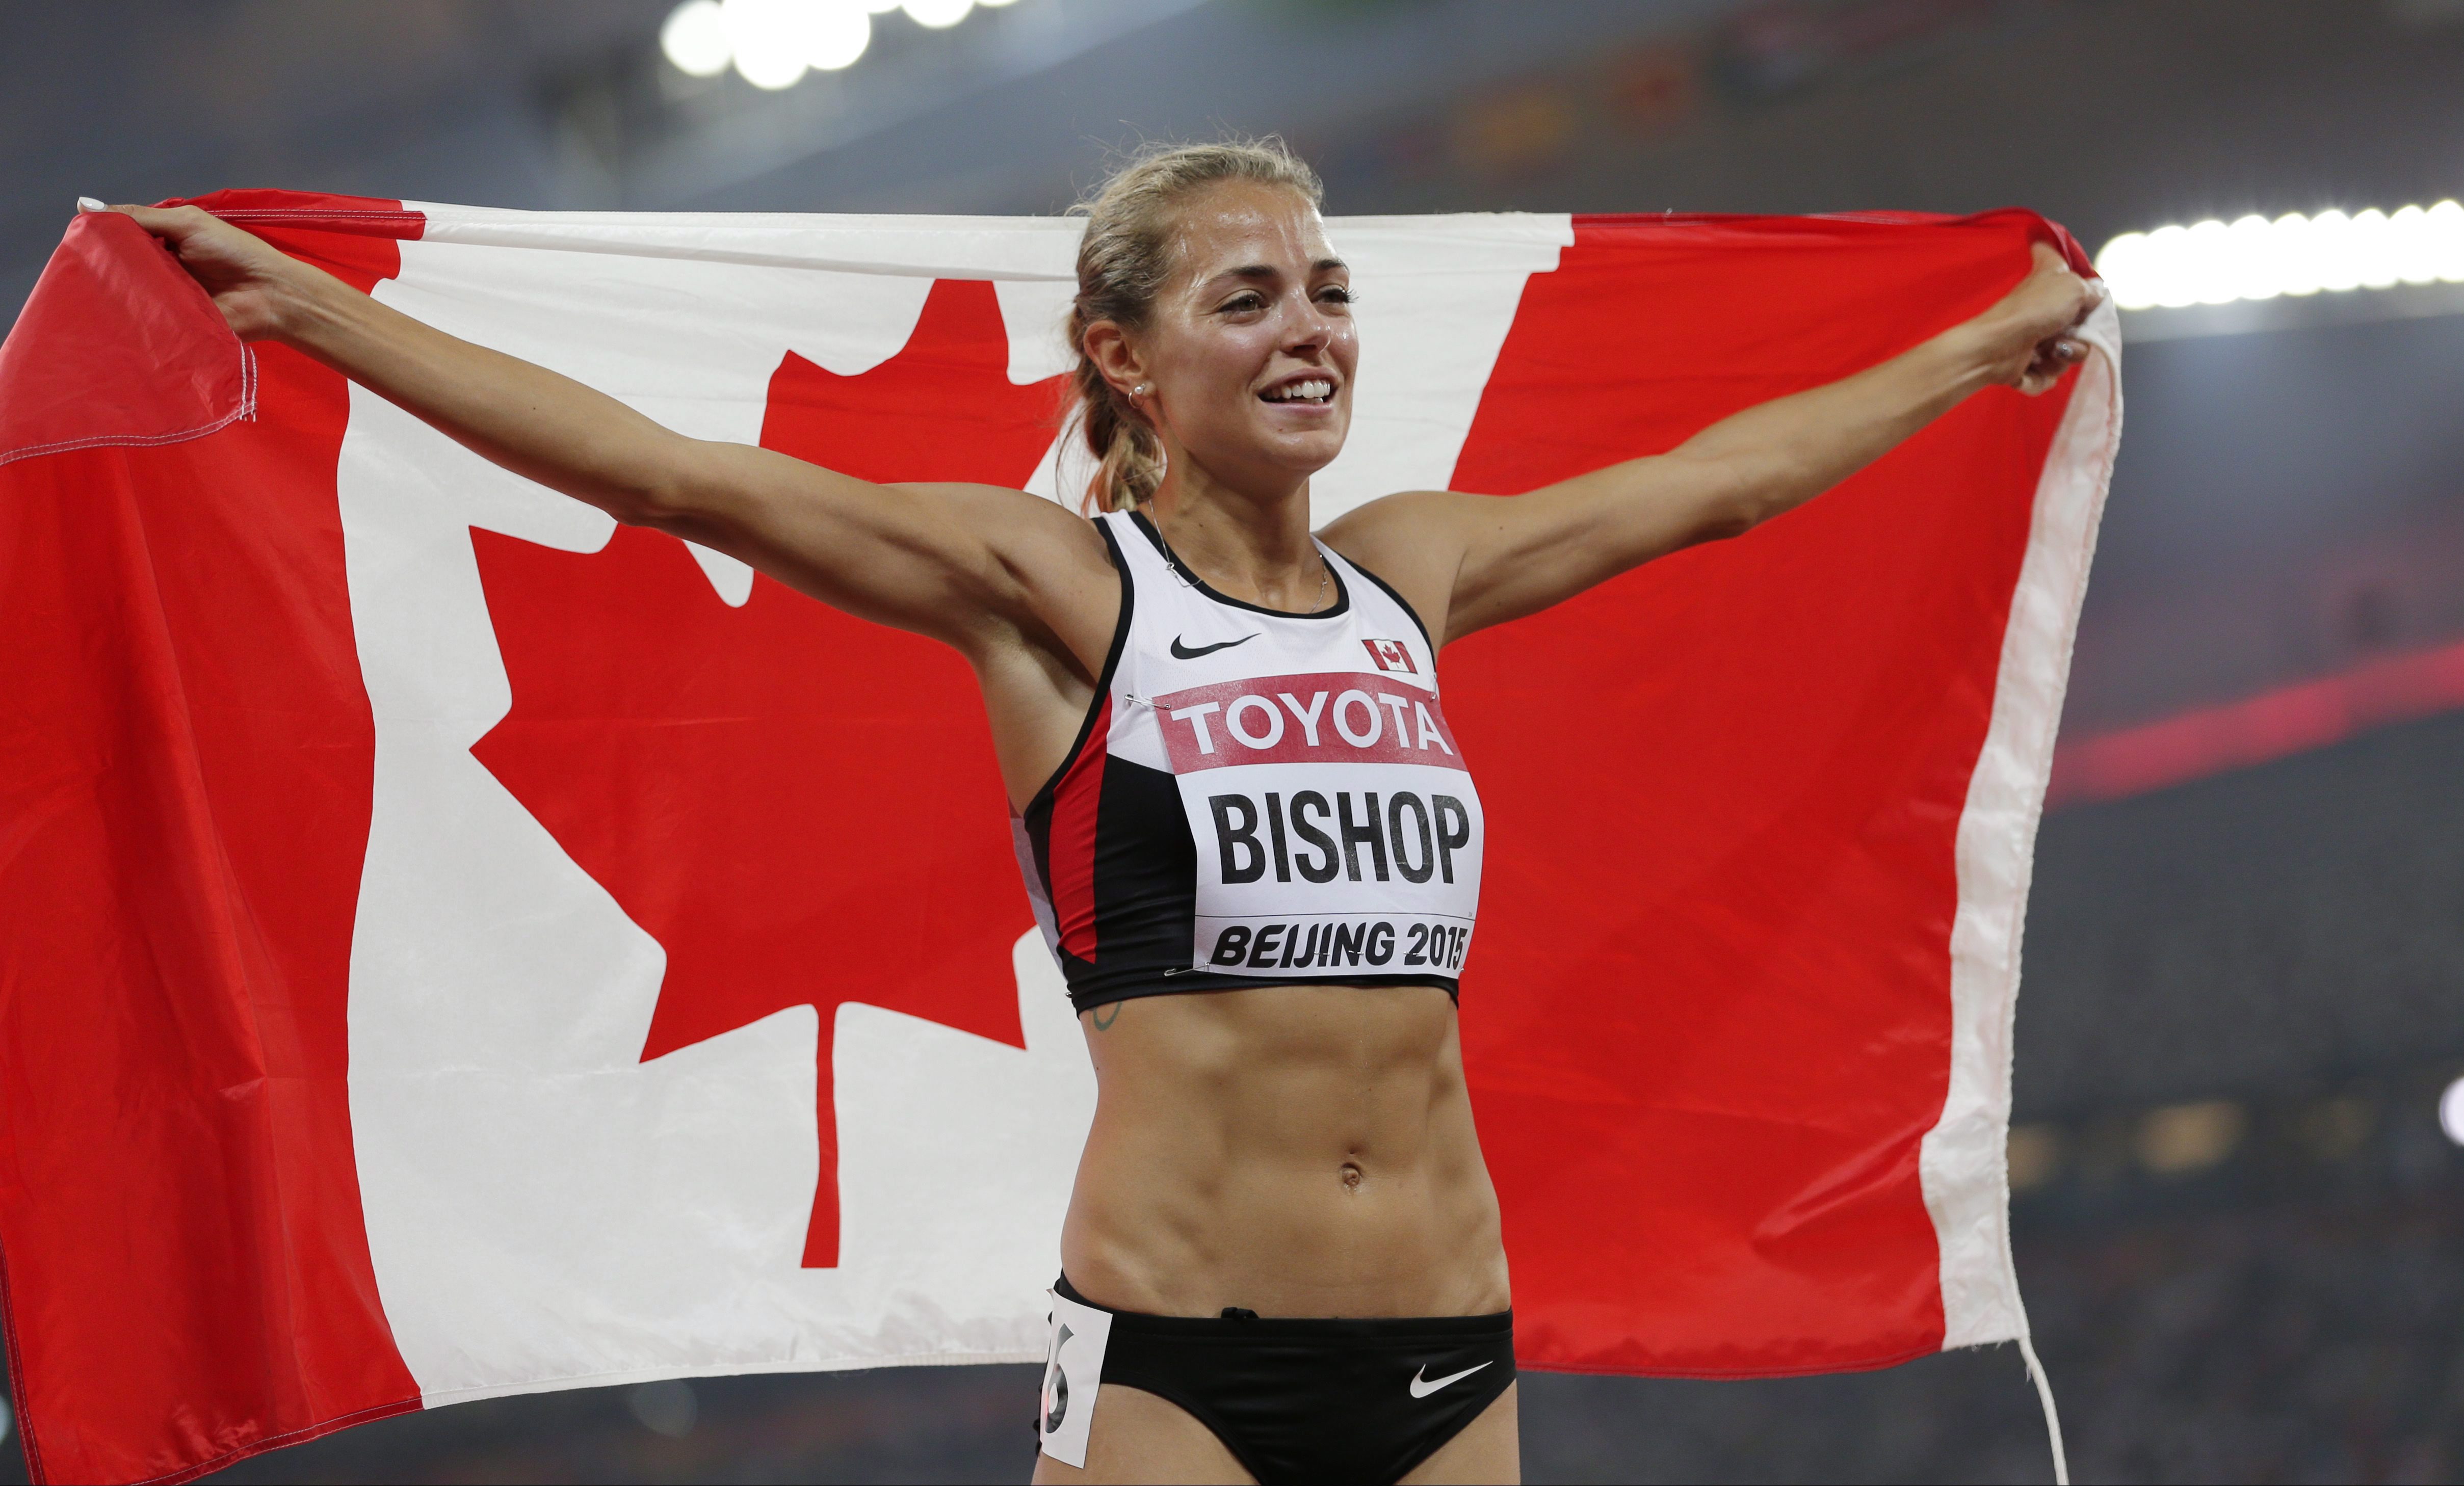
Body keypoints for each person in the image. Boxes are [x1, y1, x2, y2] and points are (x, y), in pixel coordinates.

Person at [99, 137, 2095, 1486]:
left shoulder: (1418, 571)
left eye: (1326, 290)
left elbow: (1722, 485)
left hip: (1452, 1340)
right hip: (1180, 1362)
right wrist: (323, 325)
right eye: (1249, 300)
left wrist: (1972, 350)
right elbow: (677, 478)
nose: (1310, 327)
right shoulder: (1059, 595)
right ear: (1125, 360)